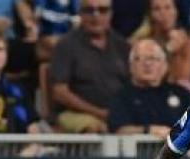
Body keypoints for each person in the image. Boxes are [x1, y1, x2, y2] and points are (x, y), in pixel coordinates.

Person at [50, 0, 130, 133]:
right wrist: (99, 113)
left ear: (111, 13)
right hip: (75, 113)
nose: (96, 15)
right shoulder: (65, 45)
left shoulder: (123, 46)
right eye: (89, 10)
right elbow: (59, 92)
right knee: (95, 128)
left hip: (117, 113)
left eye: (102, 10)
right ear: (80, 13)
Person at [108, 38, 190, 136]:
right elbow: (119, 130)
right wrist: (149, 130)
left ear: (165, 65)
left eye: (153, 58)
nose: (147, 64)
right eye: (139, 58)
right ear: (131, 66)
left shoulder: (182, 94)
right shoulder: (121, 97)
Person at [132, 0, 190, 92]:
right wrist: (168, 50)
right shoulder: (142, 43)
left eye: (168, 7)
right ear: (150, 15)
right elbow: (147, 79)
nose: (164, 13)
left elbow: (183, 82)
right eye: (157, 9)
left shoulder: (187, 44)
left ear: (176, 11)